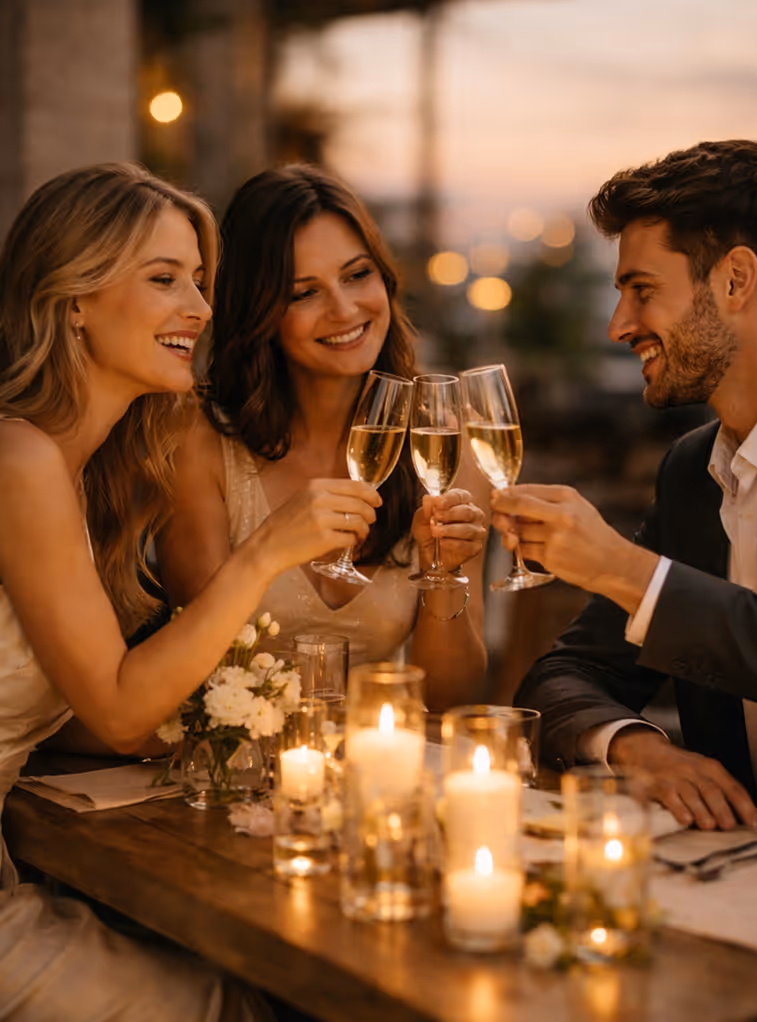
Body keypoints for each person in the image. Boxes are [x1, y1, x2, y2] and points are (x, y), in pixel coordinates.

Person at [0, 163, 384, 1019]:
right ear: (74, 299)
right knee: (234, 1004)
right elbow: (119, 713)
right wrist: (264, 553)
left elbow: (99, 717)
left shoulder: (85, 473)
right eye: (165, 279)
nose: (201, 309)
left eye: (200, 282)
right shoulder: (18, 459)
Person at [492, 140, 757, 837]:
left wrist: (622, 570)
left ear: (735, 280)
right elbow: (561, 678)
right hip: (748, 874)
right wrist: (641, 750)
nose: (618, 326)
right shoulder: (690, 471)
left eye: (642, 290)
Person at [157, 164, 488, 711]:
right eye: (305, 292)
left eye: (357, 275)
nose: (344, 309)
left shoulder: (442, 449)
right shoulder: (200, 441)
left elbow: (450, 698)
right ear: (260, 310)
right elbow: (196, 671)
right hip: (237, 756)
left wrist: (442, 573)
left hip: (381, 758)